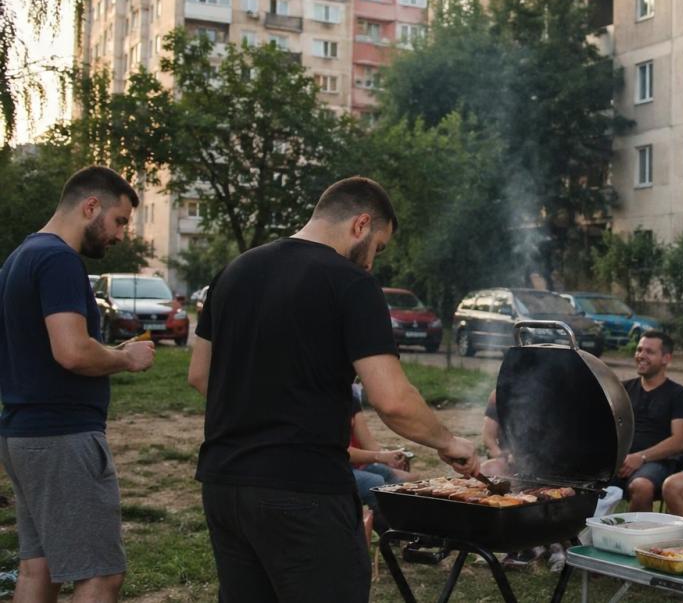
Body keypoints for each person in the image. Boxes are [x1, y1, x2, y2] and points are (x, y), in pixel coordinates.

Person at [187, 177, 478, 603]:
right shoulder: (350, 284)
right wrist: (448, 441)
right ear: (361, 224)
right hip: (303, 491)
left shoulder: (234, 271)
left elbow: (199, 374)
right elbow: (393, 400)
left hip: (224, 485)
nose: (372, 264)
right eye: (378, 248)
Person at [0, 166, 156, 603]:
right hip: (62, 438)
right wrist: (126, 358)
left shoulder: (19, 257)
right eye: (120, 220)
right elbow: (70, 351)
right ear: (91, 206)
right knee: (101, 576)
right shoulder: (59, 259)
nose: (122, 234)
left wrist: (104, 349)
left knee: (39, 569)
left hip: (22, 435)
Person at [618, 330, 683, 511]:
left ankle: (636, 537)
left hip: (657, 462)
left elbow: (680, 442)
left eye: (649, 352)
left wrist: (641, 457)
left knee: (641, 486)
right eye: (639, 350)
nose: (641, 356)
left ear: (666, 358)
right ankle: (576, 536)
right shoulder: (623, 389)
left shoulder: (679, 395)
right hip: (619, 460)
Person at [348, 387, 416, 535]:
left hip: (353, 467)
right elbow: (342, 451)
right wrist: (379, 457)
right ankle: (388, 535)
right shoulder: (321, 401)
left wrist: (387, 457)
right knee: (375, 482)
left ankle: (404, 528)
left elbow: (368, 443)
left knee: (390, 476)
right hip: (331, 468)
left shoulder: (350, 399)